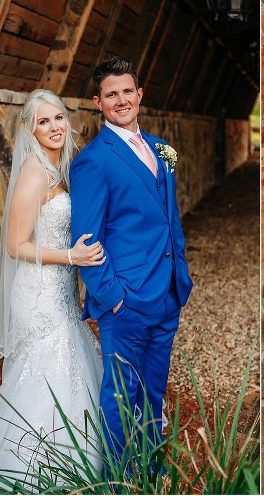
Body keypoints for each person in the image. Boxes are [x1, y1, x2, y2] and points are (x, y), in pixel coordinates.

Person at [0, 89, 106, 494]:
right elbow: (15, 246)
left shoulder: (64, 167)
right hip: (39, 296)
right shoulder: (34, 172)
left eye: (58, 118)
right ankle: (37, 475)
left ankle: (76, 470)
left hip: (60, 293)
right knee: (50, 372)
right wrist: (71, 258)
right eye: (44, 122)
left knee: (73, 371)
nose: (54, 127)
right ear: (32, 130)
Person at [70, 55, 192, 470]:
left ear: (139, 95)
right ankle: (121, 482)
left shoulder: (162, 149)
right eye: (111, 95)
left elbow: (169, 215)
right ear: (97, 102)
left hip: (168, 293)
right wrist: (113, 298)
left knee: (154, 392)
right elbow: (86, 239)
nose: (121, 100)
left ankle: (150, 471)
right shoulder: (92, 161)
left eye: (127, 92)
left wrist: (182, 276)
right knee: (121, 395)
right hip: (126, 299)